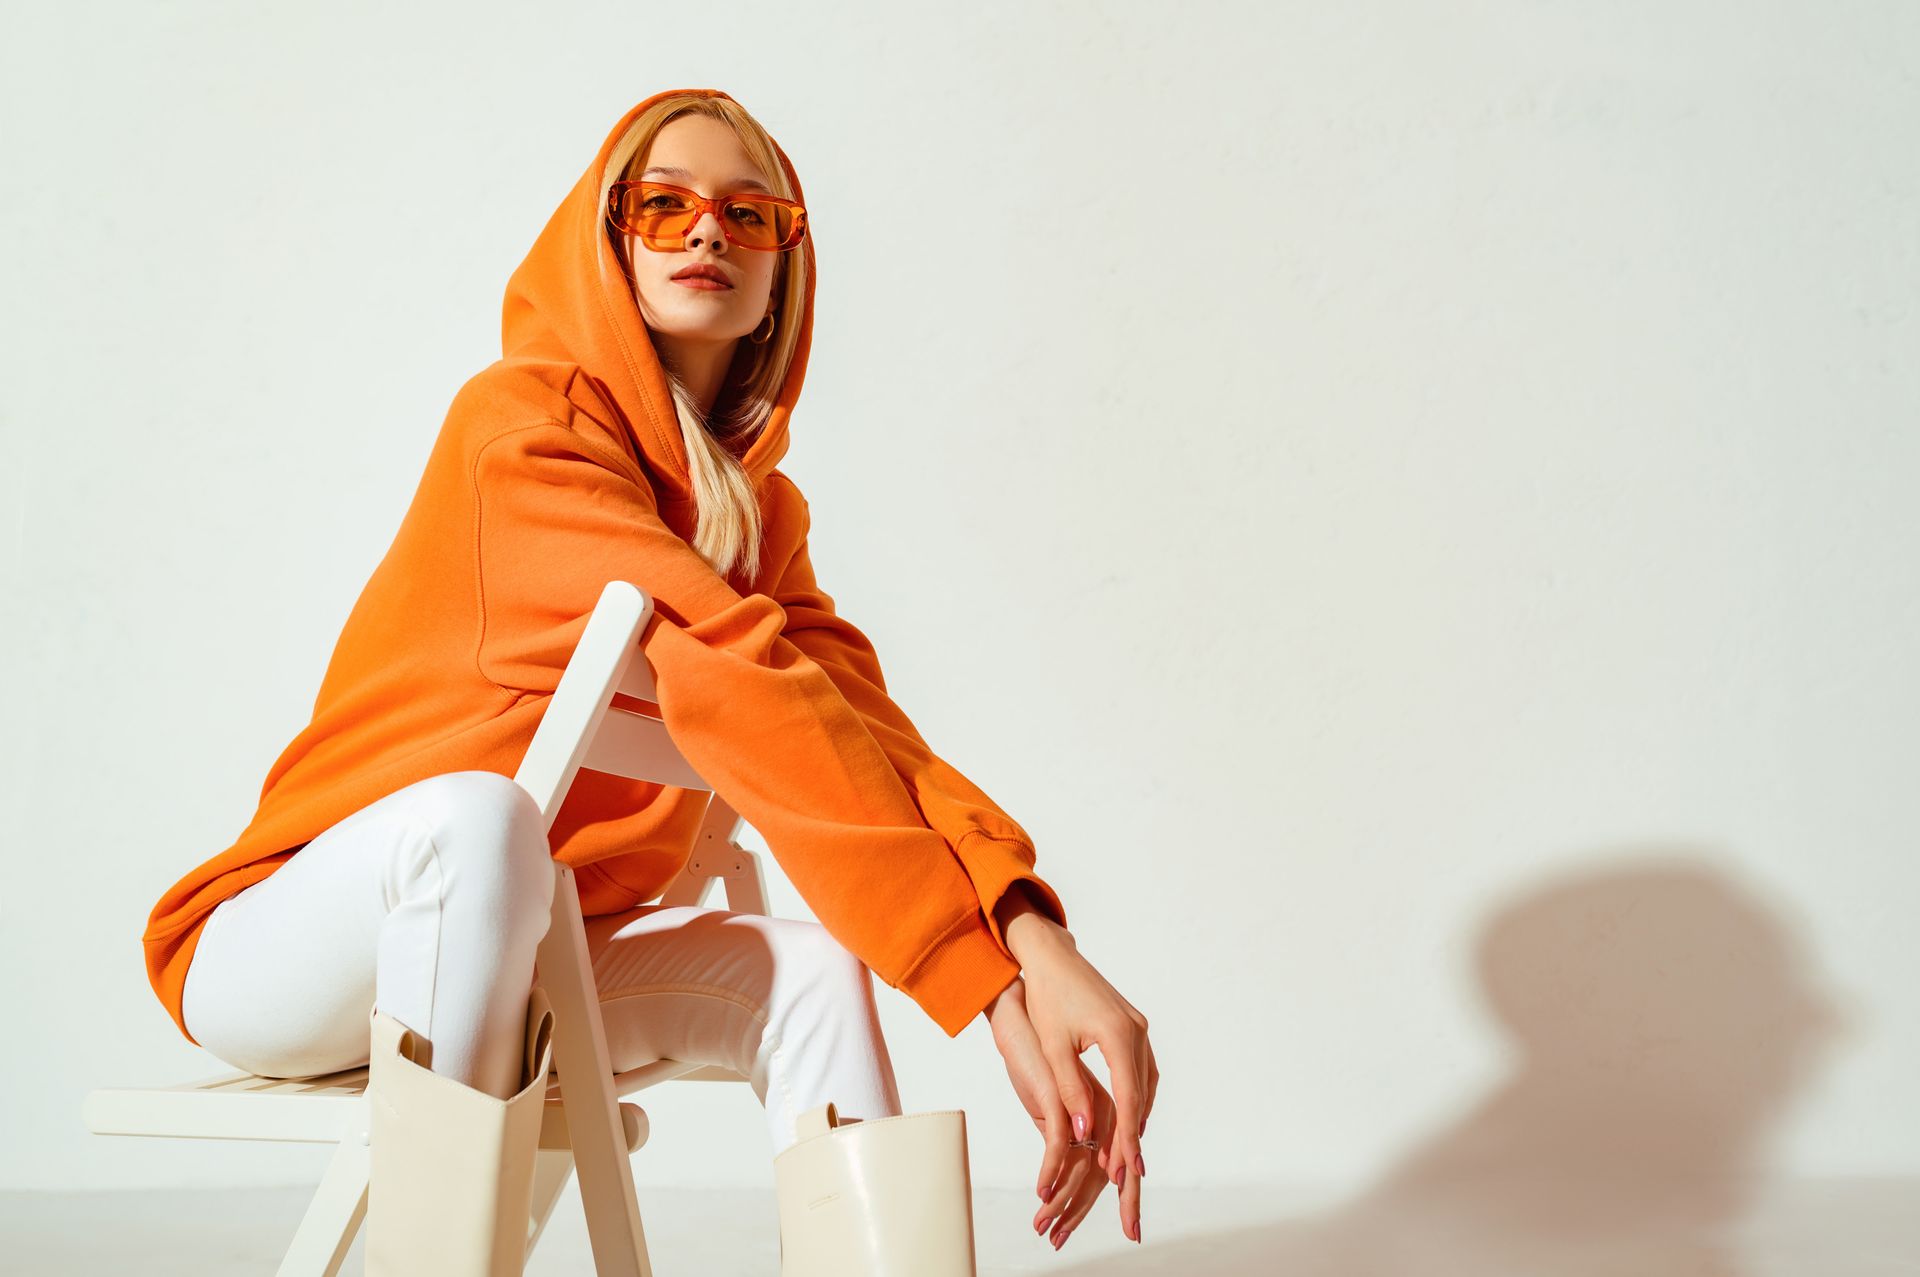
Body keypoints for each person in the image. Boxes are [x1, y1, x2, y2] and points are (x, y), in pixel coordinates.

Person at [141, 87, 1154, 1251]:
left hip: (524, 962)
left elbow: (866, 739)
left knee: (811, 968)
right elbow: (743, 678)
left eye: (747, 213)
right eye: (663, 205)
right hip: (286, 952)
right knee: (478, 821)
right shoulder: (520, 431)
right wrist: (983, 986)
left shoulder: (759, 519)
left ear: (783, 271)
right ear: (609, 239)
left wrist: (1031, 938)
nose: (707, 228)